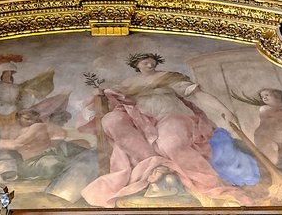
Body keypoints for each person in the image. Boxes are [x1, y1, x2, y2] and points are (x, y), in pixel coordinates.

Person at [81, 54, 255, 206]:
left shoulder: (169, 77)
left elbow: (198, 94)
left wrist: (224, 110)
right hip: (141, 118)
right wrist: (99, 94)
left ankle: (207, 183)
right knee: (112, 119)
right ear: (137, 65)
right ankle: (153, 163)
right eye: (144, 62)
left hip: (171, 114)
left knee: (170, 144)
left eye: (152, 62)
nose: (149, 65)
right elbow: (110, 99)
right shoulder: (128, 83)